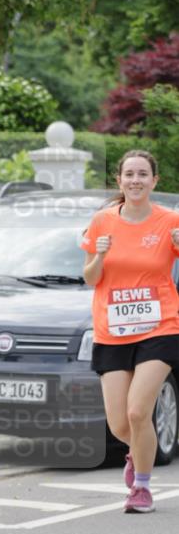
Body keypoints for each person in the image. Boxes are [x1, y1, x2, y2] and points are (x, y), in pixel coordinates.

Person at [81, 149, 179, 513]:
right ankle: (136, 455)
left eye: (143, 174)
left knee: (139, 413)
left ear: (155, 181)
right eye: (129, 174)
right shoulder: (102, 222)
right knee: (121, 423)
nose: (135, 180)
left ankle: (141, 488)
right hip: (113, 330)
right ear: (119, 180)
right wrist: (100, 256)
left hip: (160, 326)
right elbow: (91, 278)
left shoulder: (170, 222)